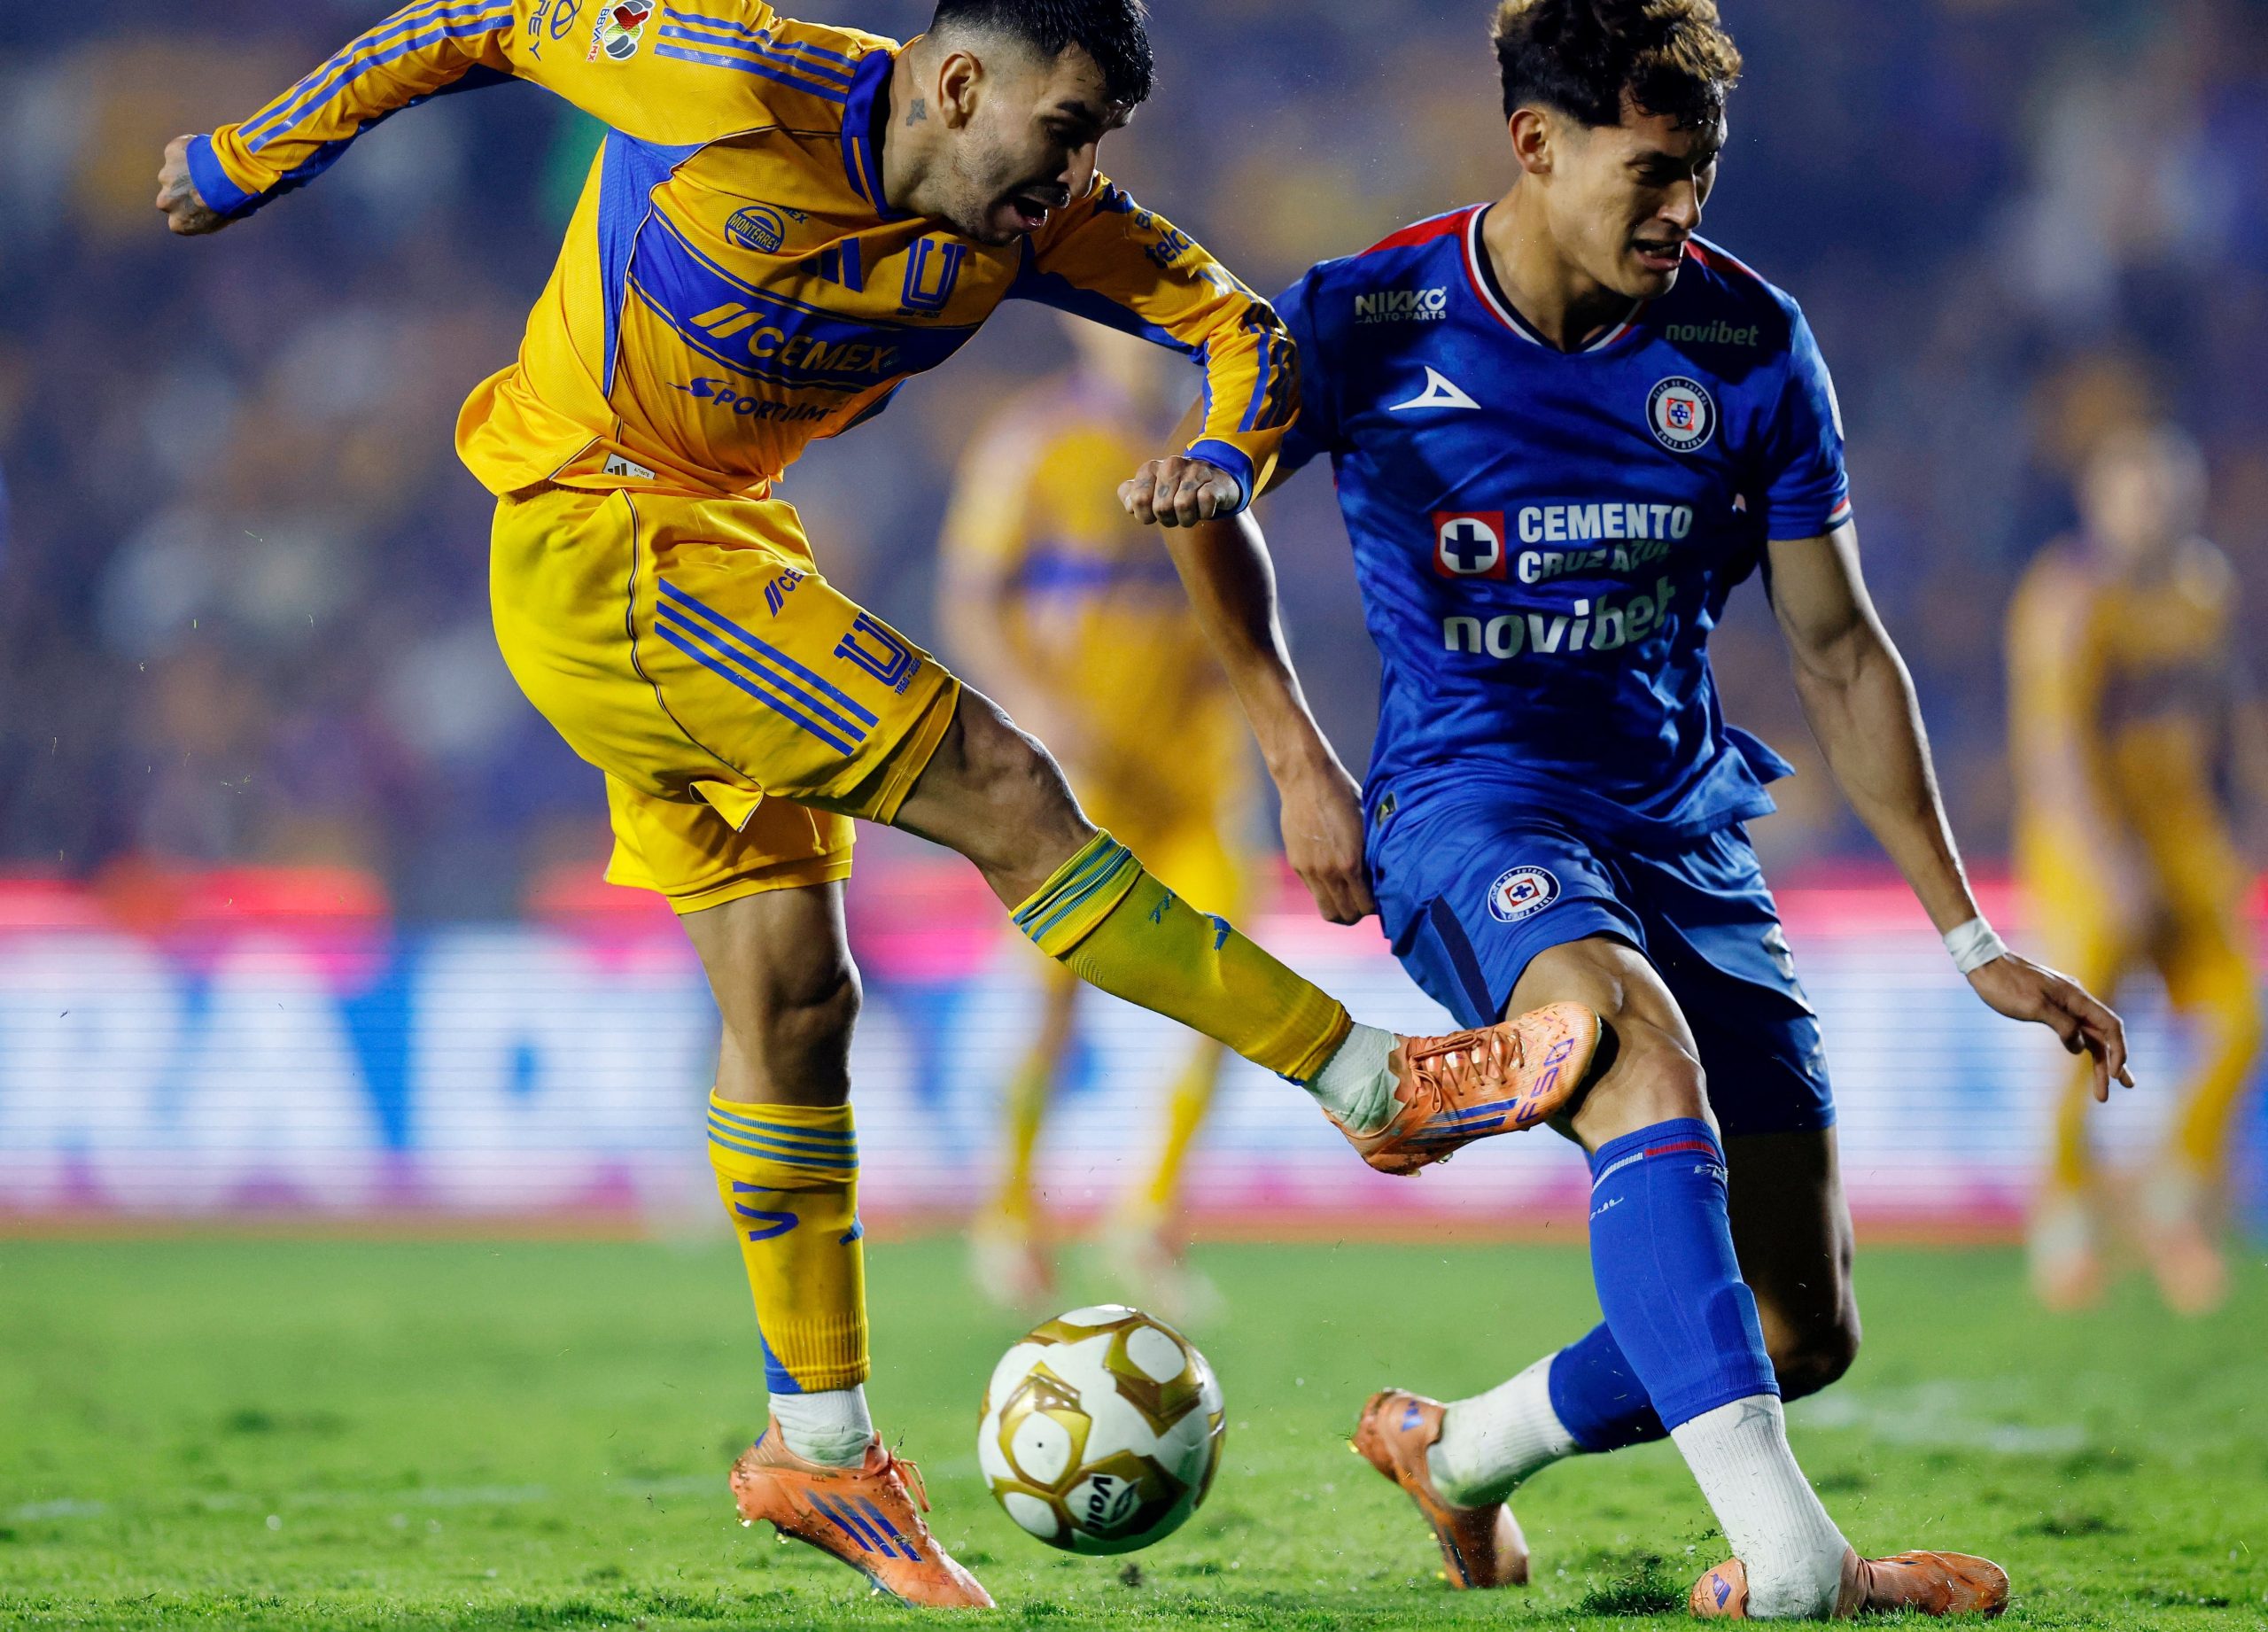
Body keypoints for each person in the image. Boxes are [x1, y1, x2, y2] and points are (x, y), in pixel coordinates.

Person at [157, 0, 1598, 1607]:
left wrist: (1227, 450)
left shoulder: (1040, 220)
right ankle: (1369, 1076)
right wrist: (246, 155)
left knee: (794, 1001)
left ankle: (820, 1445)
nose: (1078, 175)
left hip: (716, 542)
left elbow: (1243, 328)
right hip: (599, 530)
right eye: (1065, 131)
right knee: (1002, 783)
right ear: (959, 83)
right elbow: (481, 25)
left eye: (1099, 144)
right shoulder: (731, 80)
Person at [1130, 0, 2132, 1616]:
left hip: (1680, 822)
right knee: (1633, 1050)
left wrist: (1971, 938)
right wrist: (1295, 752)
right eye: (1653, 172)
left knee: (1799, 1325)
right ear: (1536, 144)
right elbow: (1207, 493)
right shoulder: (1370, 312)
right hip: (1469, 803)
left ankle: (1459, 1449)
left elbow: (1840, 649)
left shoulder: (1749, 341)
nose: (1685, 209)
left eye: (1703, 171)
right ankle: (1800, 1568)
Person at [940, 315, 1253, 1321]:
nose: (1149, 341)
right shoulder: (1034, 442)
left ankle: (1149, 1220)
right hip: (1083, 777)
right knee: (1051, 995)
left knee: (1231, 982)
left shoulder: (1221, 443)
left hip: (1194, 777)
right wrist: (1034, 708)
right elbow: (971, 600)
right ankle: (1009, 1217)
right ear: (1081, 328)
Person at [2009, 421, 2264, 1315]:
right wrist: (2104, 857)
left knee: (2240, 1015)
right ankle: (2067, 1215)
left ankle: (2171, 1193)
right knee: (2081, 1024)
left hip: (2180, 829)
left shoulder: (2205, 590)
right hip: (2089, 840)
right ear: (2100, 503)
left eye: (2166, 494)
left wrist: (2245, 815)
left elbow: (2228, 707)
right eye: (2136, 495)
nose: (2152, 512)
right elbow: (2054, 743)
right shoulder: (2069, 598)